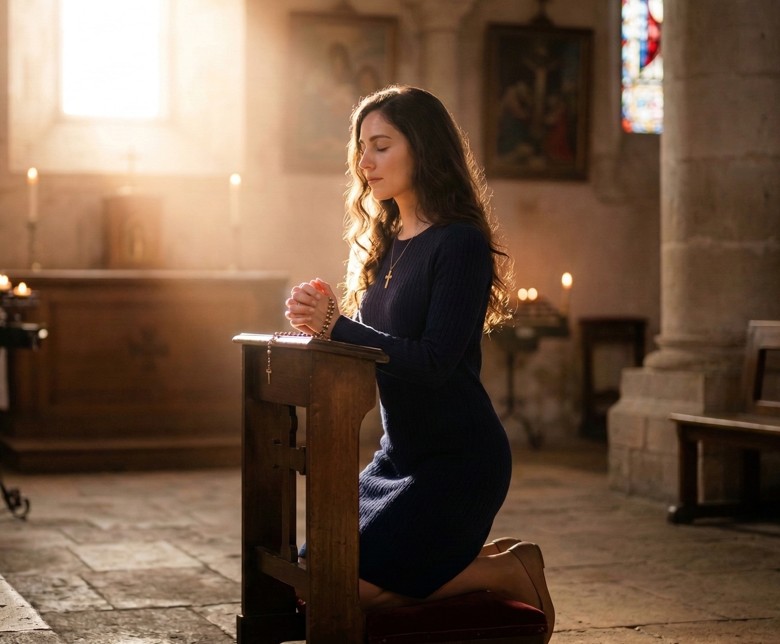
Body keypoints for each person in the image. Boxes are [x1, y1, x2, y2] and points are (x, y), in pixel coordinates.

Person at [285, 85, 554, 641]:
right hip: (396, 459)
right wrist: (316, 325)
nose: (364, 162)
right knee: (315, 572)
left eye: (381, 146)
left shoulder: (460, 244)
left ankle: (504, 570)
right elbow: (368, 349)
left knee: (349, 586)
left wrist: (338, 324)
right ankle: (479, 561)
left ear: (424, 148)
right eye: (361, 147)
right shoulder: (382, 242)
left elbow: (432, 362)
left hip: (457, 461)